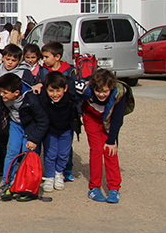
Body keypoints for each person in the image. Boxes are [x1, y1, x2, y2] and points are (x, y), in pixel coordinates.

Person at [80, 69, 128, 203]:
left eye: (105, 91)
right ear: (93, 87)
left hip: (108, 118)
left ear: (111, 88)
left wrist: (112, 140)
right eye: (98, 91)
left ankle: (114, 188)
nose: (101, 94)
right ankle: (94, 187)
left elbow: (118, 119)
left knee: (110, 150)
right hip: (91, 116)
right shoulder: (85, 88)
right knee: (96, 150)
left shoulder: (119, 92)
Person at [0, 72, 48, 188]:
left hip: (30, 127)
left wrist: (34, 139)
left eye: (5, 93)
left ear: (16, 93)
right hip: (15, 125)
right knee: (12, 152)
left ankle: (26, 184)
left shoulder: (31, 100)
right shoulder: (4, 93)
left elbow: (43, 120)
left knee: (27, 153)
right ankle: (7, 182)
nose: (2, 95)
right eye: (1, 91)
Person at [39, 70, 80, 193]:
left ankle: (59, 174)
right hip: (50, 131)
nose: (55, 94)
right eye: (51, 91)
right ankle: (50, 177)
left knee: (63, 154)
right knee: (50, 154)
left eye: (58, 90)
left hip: (66, 130)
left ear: (65, 88)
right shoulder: (43, 99)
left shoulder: (70, 98)